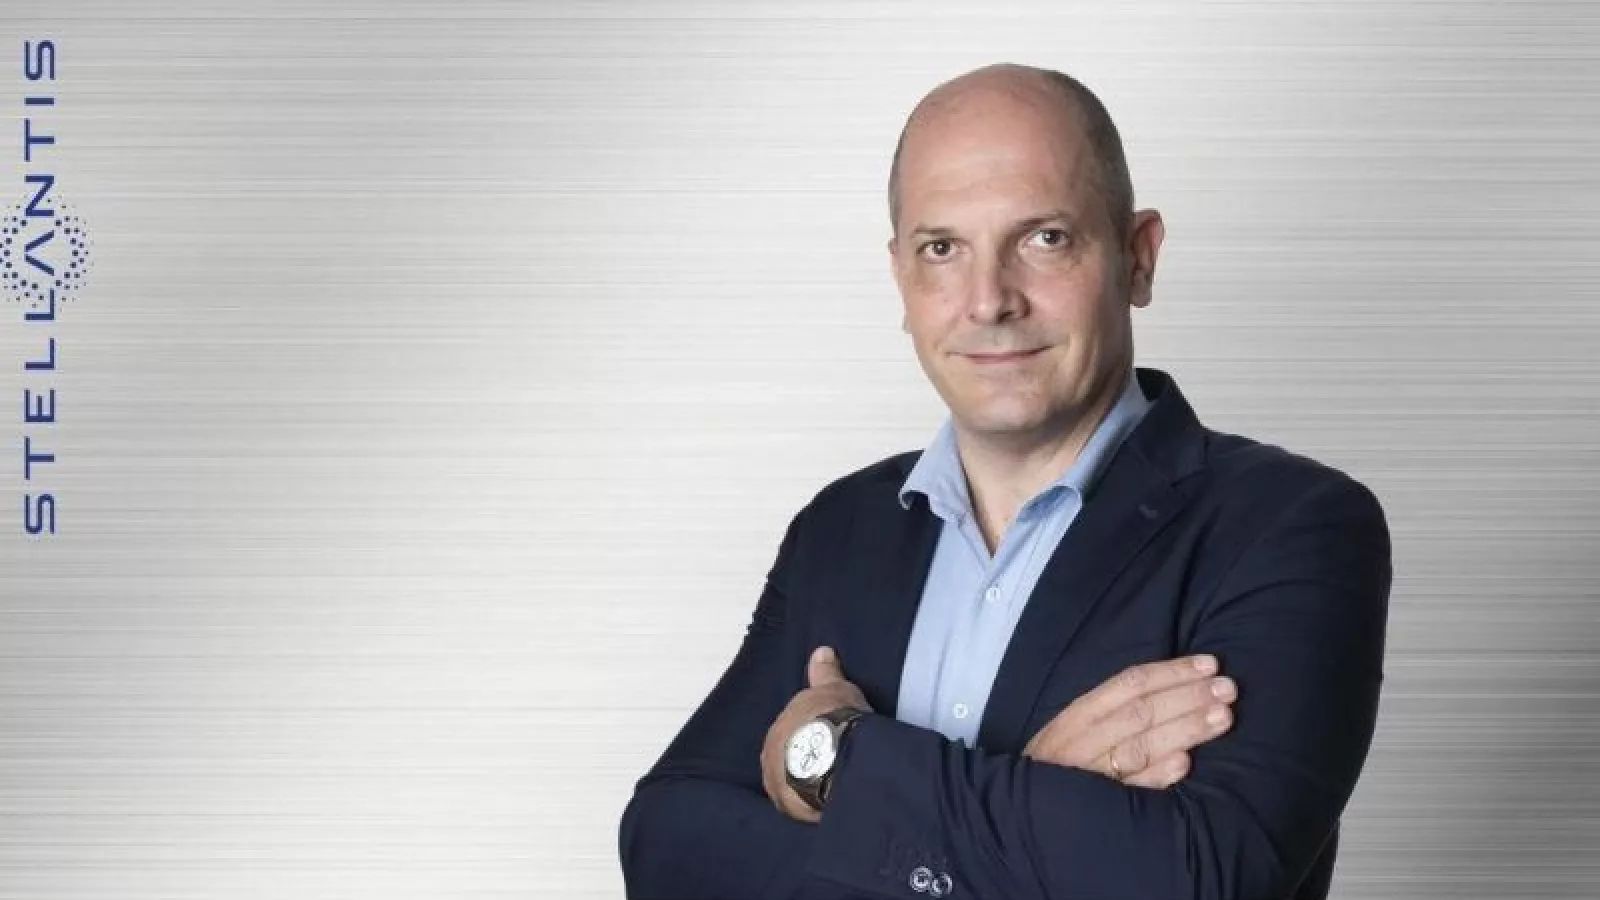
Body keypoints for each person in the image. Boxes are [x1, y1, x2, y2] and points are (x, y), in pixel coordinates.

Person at [618, 62, 1391, 900]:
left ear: (1137, 258)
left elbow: (1201, 878)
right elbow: (666, 846)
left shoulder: (1290, 525)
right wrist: (1028, 798)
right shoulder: (840, 528)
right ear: (900, 279)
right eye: (942, 249)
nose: (988, 300)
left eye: (1043, 239)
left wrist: (839, 760)